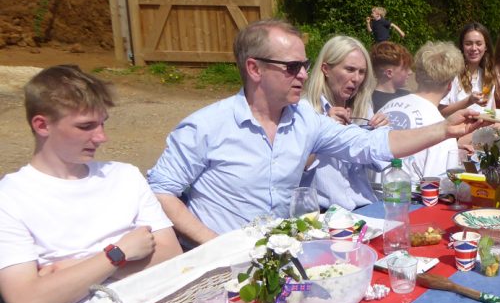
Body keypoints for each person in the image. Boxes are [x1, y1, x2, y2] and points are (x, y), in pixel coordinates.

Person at [148, 19, 481, 243]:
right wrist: (214, 245)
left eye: (305, 65)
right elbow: (162, 191)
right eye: (292, 67)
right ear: (255, 69)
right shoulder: (205, 126)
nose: (304, 76)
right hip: (225, 264)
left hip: (281, 253)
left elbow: (371, 145)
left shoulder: (305, 120)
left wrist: (444, 129)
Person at [0, 66, 181, 303]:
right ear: (42, 125)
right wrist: (117, 254)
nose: (101, 137)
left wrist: (73, 270)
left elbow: (172, 257)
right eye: (85, 126)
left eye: (102, 123)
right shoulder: (11, 197)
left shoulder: (124, 176)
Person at [300, 36, 389, 211]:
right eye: (350, 69)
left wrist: (382, 132)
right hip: (324, 215)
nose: (356, 78)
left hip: (366, 208)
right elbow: (293, 168)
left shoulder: (362, 108)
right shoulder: (305, 110)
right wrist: (323, 131)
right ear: (326, 69)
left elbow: (380, 164)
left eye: (362, 72)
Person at [378, 42, 463, 180]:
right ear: (449, 85)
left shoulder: (386, 107)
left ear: (417, 77)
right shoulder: (443, 130)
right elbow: (439, 188)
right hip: (405, 200)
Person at [439, 22, 496, 116]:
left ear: (486, 47)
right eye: (468, 44)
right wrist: (469, 101)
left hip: (484, 129)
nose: (474, 48)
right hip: (458, 129)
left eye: (479, 43)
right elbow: (440, 111)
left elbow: (492, 111)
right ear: (462, 46)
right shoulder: (451, 76)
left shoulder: (488, 76)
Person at [369, 41, 412, 113]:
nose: (410, 72)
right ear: (389, 73)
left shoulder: (407, 95)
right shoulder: (371, 104)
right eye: (405, 68)